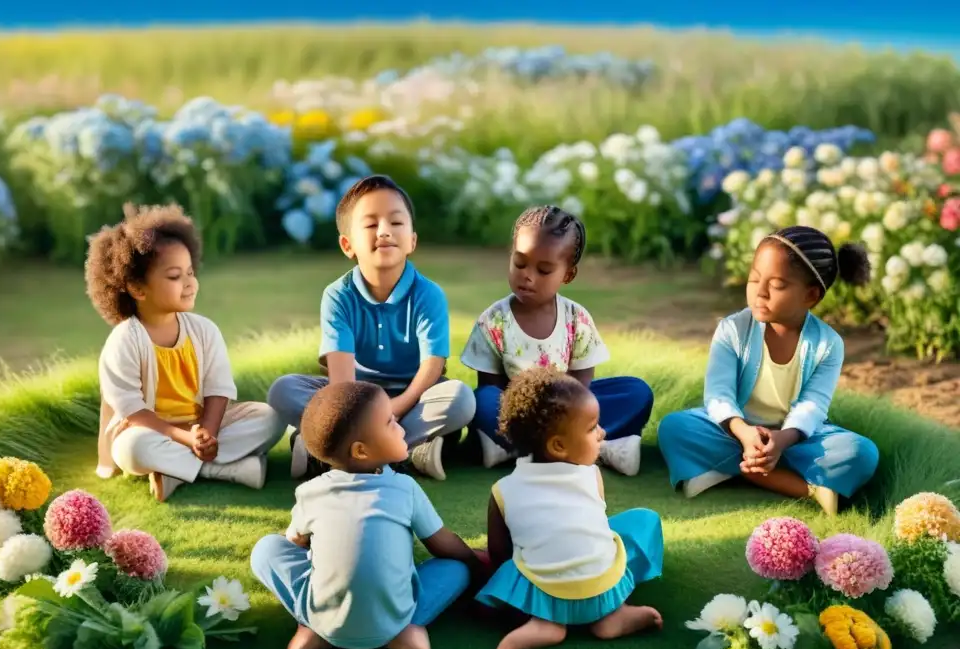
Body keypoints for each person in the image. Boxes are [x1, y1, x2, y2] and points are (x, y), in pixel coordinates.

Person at [251, 381, 484, 649]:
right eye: (389, 422)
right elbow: (443, 545)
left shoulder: (309, 493)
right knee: (455, 568)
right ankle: (405, 632)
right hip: (396, 619)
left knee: (265, 549)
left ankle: (314, 628)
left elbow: (294, 544)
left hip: (328, 622)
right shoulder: (405, 488)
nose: (399, 424)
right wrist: (474, 563)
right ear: (361, 451)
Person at [657, 225, 880, 515]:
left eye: (776, 285)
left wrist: (781, 440)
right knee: (675, 428)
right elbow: (718, 394)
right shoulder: (732, 329)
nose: (760, 293)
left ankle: (742, 470)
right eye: (754, 279)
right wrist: (745, 433)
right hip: (734, 431)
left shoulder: (828, 344)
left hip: (795, 441)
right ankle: (802, 486)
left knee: (862, 453)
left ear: (810, 296)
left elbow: (813, 405)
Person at [268, 175, 475, 482]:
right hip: (353, 396)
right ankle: (402, 453)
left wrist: (397, 405)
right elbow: (341, 382)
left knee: (460, 398)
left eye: (396, 223)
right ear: (347, 244)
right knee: (283, 390)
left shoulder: (429, 294)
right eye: (370, 224)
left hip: (412, 397)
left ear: (412, 240)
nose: (384, 232)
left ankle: (328, 452)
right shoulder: (337, 295)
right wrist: (366, 414)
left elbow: (433, 366)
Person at [87, 203, 284, 502]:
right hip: (150, 431)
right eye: (175, 276)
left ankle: (172, 470)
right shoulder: (124, 341)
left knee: (272, 418)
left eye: (190, 272)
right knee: (131, 450)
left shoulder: (204, 331)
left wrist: (208, 432)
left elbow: (218, 389)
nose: (190, 283)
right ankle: (227, 470)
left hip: (202, 425)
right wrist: (185, 438)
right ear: (138, 289)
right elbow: (133, 411)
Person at [476, 367, 664, 649]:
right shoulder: (591, 475)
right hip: (601, 588)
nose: (602, 433)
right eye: (593, 428)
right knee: (643, 522)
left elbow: (499, 553)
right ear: (559, 446)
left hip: (542, 592)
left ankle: (544, 623)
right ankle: (613, 614)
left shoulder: (502, 489)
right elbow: (596, 529)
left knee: (513, 565)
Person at [460, 205, 653, 475]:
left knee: (637, 392)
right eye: (520, 263)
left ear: (568, 275)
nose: (528, 275)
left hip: (570, 411)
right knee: (481, 401)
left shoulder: (577, 319)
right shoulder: (493, 321)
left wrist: (571, 418)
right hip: (518, 416)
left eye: (544, 270)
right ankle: (586, 447)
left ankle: (523, 450)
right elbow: (491, 389)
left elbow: (582, 389)